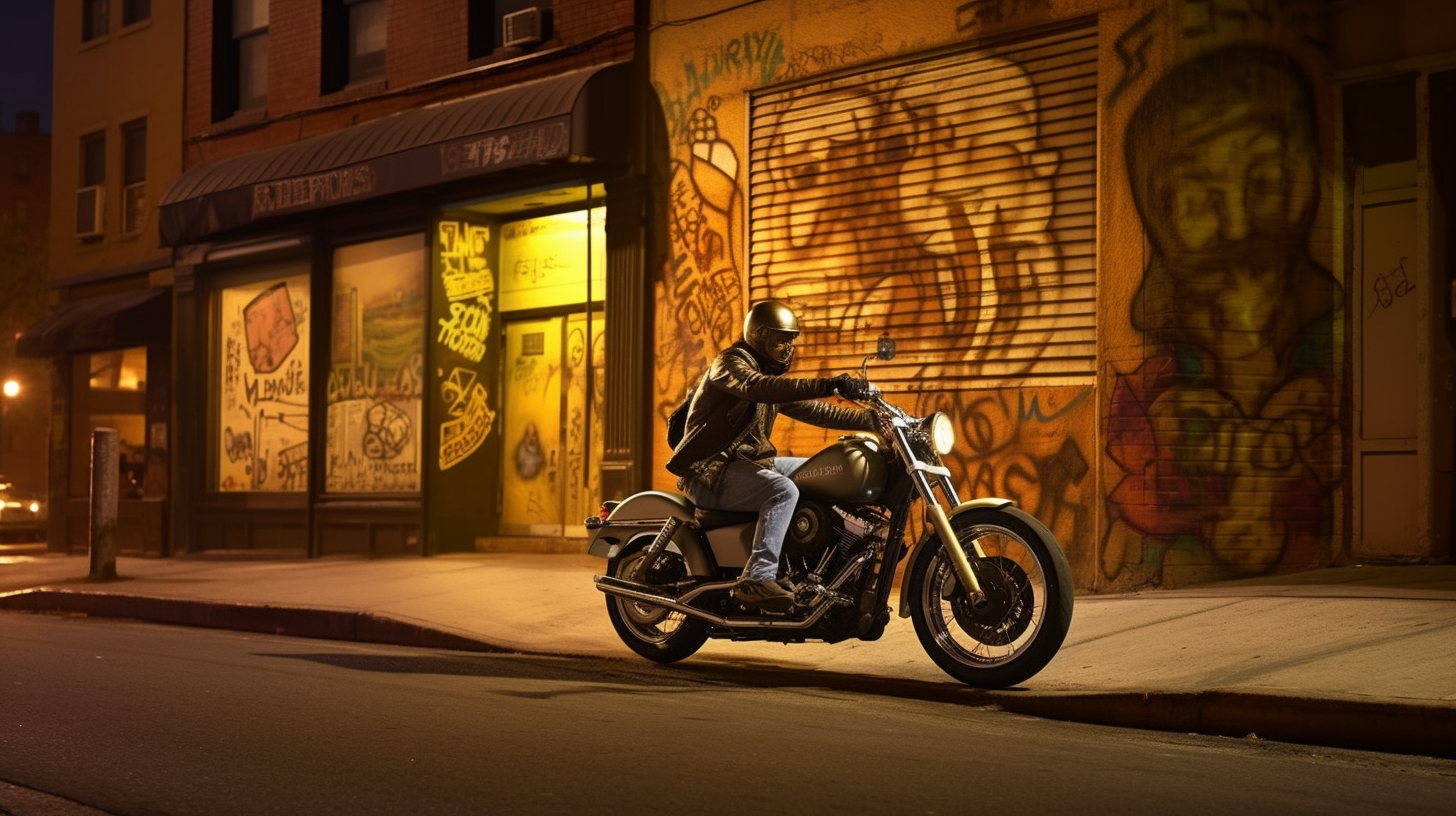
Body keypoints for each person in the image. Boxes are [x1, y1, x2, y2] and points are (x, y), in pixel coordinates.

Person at [667, 300, 878, 611]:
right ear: (759, 337)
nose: (786, 350)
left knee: (823, 473)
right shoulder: (730, 365)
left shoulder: (768, 381)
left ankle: (822, 562)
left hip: (749, 465)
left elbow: (815, 411)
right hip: (711, 472)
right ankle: (756, 578)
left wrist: (874, 421)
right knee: (784, 490)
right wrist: (830, 384)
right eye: (780, 341)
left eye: (790, 342)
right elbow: (756, 387)